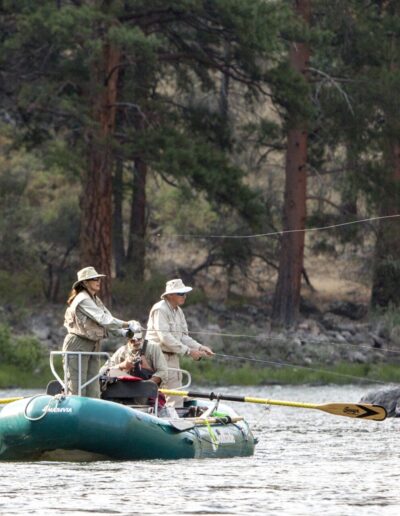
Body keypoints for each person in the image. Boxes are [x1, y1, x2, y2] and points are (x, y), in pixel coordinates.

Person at [62, 266, 136, 398]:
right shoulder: (83, 299)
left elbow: (107, 320)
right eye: (94, 279)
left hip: (93, 345)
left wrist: (124, 332)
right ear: (85, 283)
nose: (98, 281)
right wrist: (127, 323)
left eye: (99, 279)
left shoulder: (95, 299)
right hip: (77, 344)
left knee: (93, 390)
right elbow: (104, 319)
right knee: (77, 389)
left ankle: (90, 417)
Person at [146, 278, 214, 407]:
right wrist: (188, 351)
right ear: (170, 295)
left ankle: (174, 417)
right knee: (166, 393)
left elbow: (183, 336)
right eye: (181, 294)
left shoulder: (178, 311)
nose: (184, 296)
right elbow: (164, 336)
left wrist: (200, 347)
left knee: (175, 393)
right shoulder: (160, 309)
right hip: (157, 355)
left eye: (185, 293)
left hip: (173, 356)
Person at [100, 321, 168, 387]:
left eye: (139, 339)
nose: (136, 342)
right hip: (126, 389)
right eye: (133, 340)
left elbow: (163, 372)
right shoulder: (122, 351)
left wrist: (147, 385)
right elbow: (103, 371)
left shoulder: (153, 348)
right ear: (127, 339)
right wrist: (122, 366)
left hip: (147, 390)